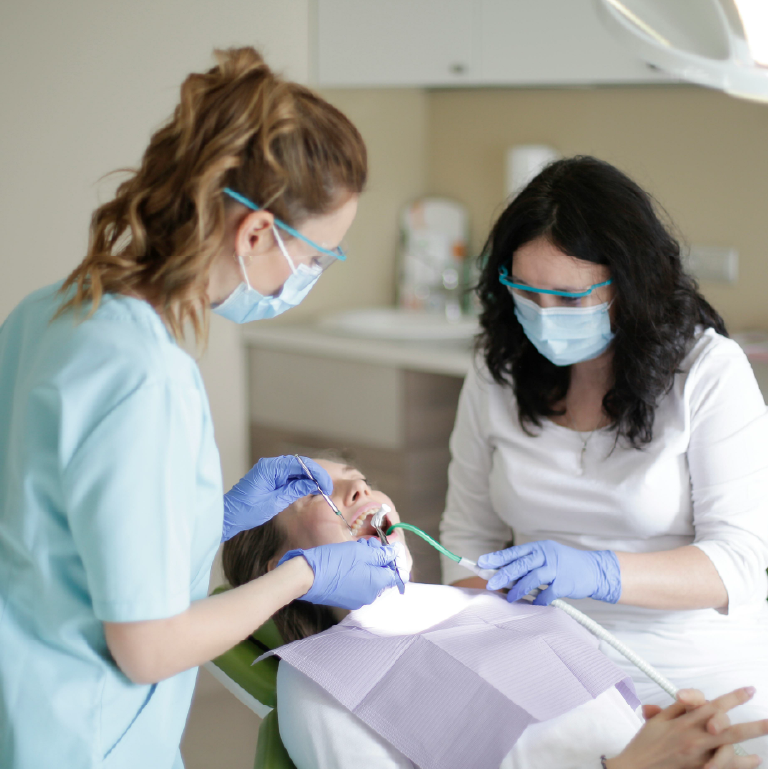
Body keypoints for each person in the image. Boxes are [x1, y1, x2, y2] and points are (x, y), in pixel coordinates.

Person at [0, 48, 401, 769]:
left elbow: (60, 528)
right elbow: (148, 645)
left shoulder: (50, 313)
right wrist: (305, 574)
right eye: (316, 258)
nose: (310, 276)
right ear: (255, 234)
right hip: (83, 740)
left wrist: (217, 518)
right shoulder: (146, 378)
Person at [439, 156, 768, 759]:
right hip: (544, 658)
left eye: (569, 297)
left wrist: (600, 573)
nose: (543, 315)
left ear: (631, 282)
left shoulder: (708, 373)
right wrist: (478, 629)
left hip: (688, 663)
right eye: (525, 292)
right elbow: (467, 540)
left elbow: (740, 564)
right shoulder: (496, 375)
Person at [223, 458, 768, 769]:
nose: (357, 486)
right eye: (314, 492)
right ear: (280, 564)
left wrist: (681, 742)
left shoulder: (486, 605)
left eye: (355, 473)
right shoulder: (320, 685)